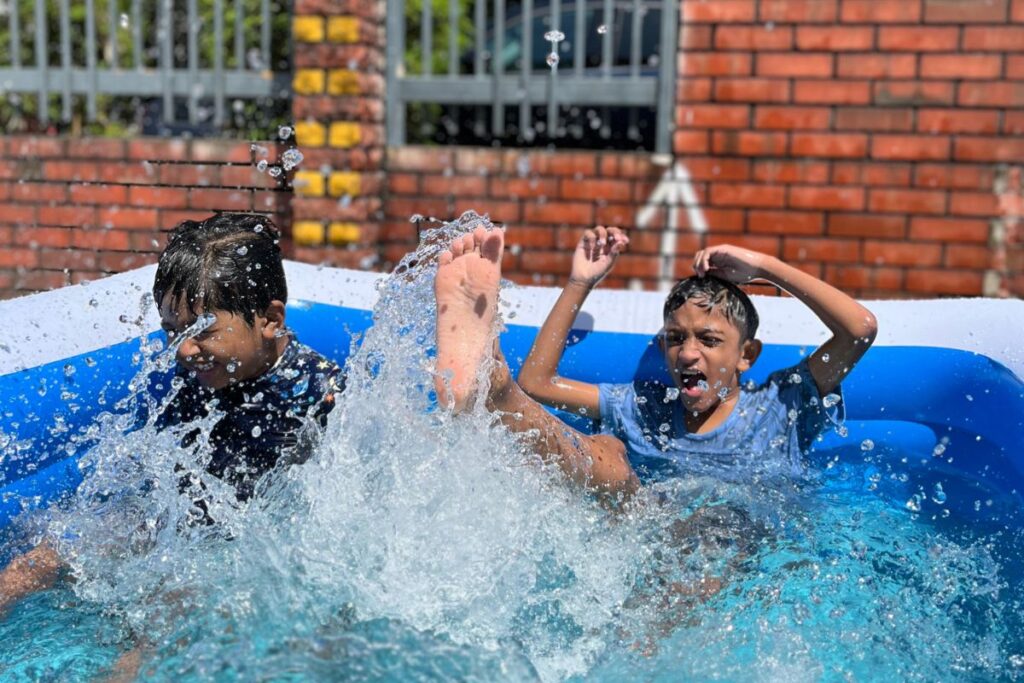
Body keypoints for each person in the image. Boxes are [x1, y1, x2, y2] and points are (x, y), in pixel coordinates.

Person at [0, 212, 343, 613]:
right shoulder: (190, 379)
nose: (182, 350)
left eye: (202, 330)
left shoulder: (321, 395)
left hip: (241, 550)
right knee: (40, 560)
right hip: (169, 519)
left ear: (269, 320)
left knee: (168, 608)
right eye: (171, 329)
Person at [432, 224, 877, 495]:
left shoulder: (781, 407)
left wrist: (763, 267)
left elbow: (860, 330)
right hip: (647, 529)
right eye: (675, 339)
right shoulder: (646, 409)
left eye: (708, 339)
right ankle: (495, 389)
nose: (687, 353)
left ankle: (493, 389)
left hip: (742, 553)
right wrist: (579, 281)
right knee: (609, 452)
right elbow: (540, 383)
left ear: (746, 356)